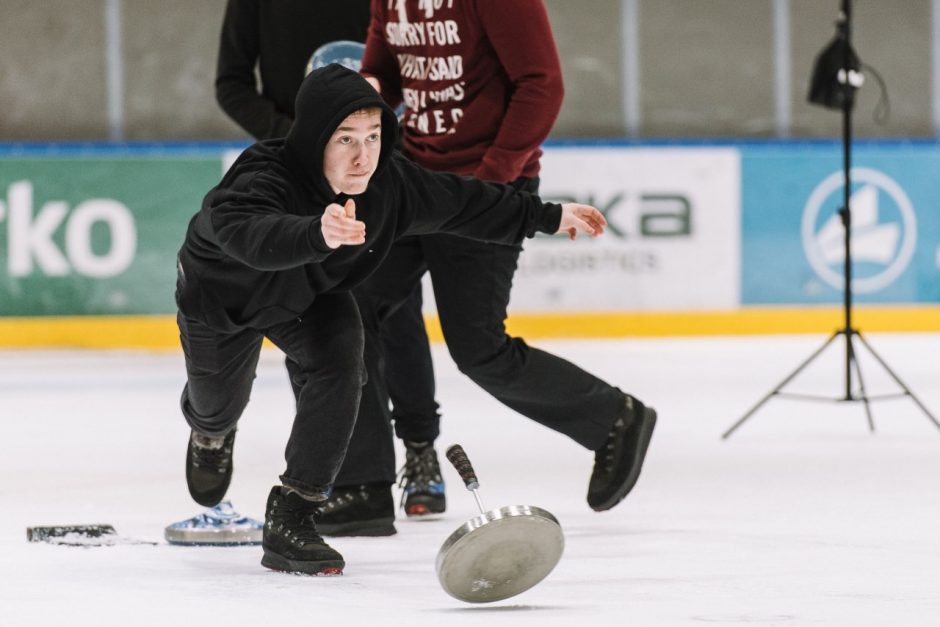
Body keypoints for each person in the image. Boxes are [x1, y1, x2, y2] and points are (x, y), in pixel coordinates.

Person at [176, 64, 616, 575]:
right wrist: (315, 233)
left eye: (373, 136)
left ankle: (293, 515)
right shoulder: (264, 173)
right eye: (345, 139)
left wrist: (545, 217)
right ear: (315, 137)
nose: (363, 156)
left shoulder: (390, 186)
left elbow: (465, 203)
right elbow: (244, 232)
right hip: (225, 298)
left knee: (343, 361)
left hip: (308, 297)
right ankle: (210, 435)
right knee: (216, 406)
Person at [318, 0, 657, 537]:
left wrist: (491, 182)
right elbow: (384, 73)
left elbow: (541, 84)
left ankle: (613, 418)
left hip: (485, 186)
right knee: (352, 312)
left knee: (479, 349)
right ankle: (364, 487)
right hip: (411, 187)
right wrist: (359, 101)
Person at [209, 0, 439, 521]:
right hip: (299, 181)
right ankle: (356, 480)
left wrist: (378, 135)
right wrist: (301, 140)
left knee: (396, 308)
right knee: (331, 320)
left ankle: (421, 452)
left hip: (378, 160)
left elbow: (419, 62)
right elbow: (232, 84)